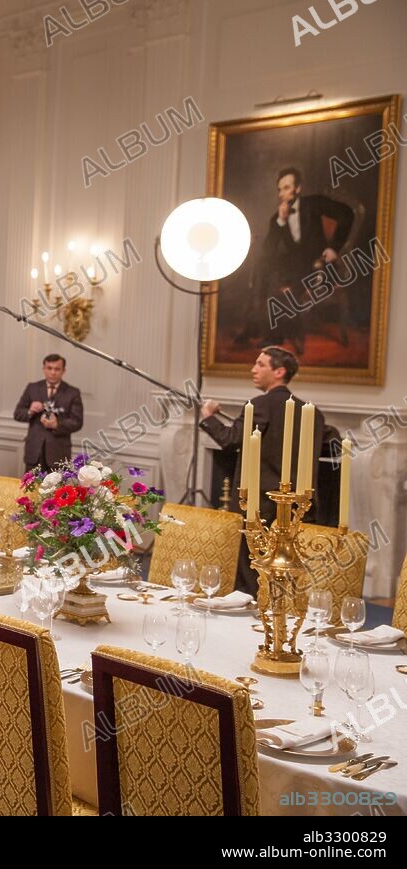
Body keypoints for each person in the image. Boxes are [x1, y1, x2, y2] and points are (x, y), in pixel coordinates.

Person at [201, 346, 325, 595]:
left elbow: (231, 439)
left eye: (260, 364)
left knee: (252, 573)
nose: (253, 369)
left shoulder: (259, 405)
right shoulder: (315, 414)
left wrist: (208, 416)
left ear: (279, 371)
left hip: (260, 504)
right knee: (287, 570)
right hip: (298, 505)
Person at [238, 168, 355, 353]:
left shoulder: (314, 203)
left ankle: (269, 332)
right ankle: (260, 327)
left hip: (320, 265)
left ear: (298, 188)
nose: (282, 193)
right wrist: (281, 223)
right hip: (295, 266)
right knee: (263, 267)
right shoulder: (277, 217)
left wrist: (334, 247)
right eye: (279, 189)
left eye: (286, 187)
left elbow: (347, 214)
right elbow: (269, 250)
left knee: (282, 279)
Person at [13, 354, 83, 473]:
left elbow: (77, 422)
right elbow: (18, 413)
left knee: (57, 492)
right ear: (44, 369)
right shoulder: (32, 388)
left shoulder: (72, 392)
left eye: (57, 369)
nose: (53, 372)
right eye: (49, 368)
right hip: (34, 453)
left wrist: (57, 425)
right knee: (30, 491)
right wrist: (30, 411)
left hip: (59, 454)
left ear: (63, 371)